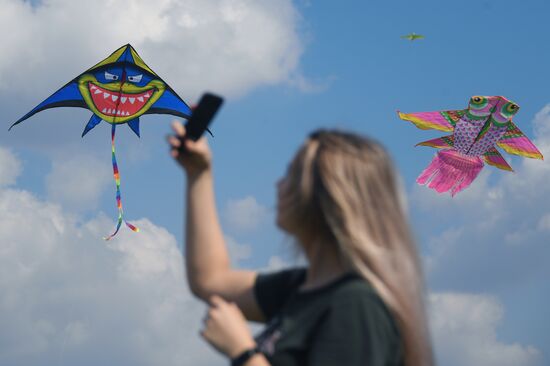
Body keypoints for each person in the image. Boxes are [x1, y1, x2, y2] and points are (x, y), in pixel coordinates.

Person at [167, 123, 433, 366]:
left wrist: (244, 353)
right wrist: (199, 174)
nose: (278, 184)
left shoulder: (356, 305)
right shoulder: (301, 289)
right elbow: (210, 280)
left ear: (328, 197)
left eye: (291, 174)